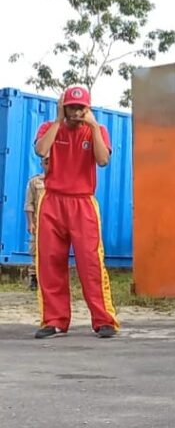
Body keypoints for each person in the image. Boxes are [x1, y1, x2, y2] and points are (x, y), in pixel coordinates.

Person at [33, 86, 118, 339]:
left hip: (82, 203)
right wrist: (58, 121)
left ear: (88, 108)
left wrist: (92, 127)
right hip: (52, 201)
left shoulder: (97, 131)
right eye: (72, 107)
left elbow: (103, 160)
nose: (77, 112)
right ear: (64, 107)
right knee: (50, 262)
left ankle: (104, 320)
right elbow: (40, 150)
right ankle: (55, 320)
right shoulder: (50, 127)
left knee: (91, 263)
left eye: (82, 107)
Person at [24, 157, 48, 291]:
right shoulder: (35, 182)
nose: (48, 164)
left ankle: (49, 280)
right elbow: (29, 204)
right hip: (39, 222)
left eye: (51, 160)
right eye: (46, 161)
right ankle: (34, 278)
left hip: (55, 223)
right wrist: (30, 223)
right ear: (41, 164)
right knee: (35, 250)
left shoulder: (61, 181)